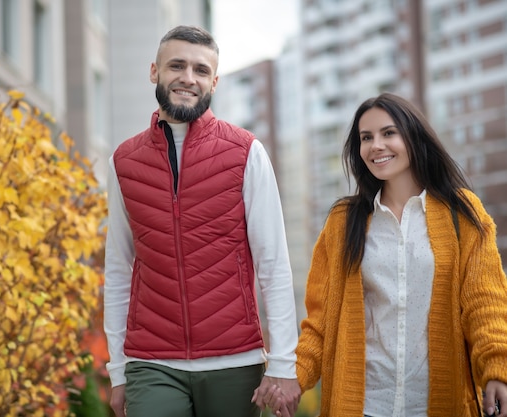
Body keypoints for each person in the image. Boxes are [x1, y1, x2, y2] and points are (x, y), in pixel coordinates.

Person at [258, 92, 507, 416]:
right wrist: (293, 378)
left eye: (388, 133)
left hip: (440, 405)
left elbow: (485, 303)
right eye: (366, 138)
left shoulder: (462, 214)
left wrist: (497, 368)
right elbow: (320, 322)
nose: (376, 145)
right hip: (363, 407)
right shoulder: (342, 222)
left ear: (413, 136)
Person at [103, 25, 301, 417]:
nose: (188, 78)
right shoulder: (123, 161)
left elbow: (273, 263)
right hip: (152, 361)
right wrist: (118, 370)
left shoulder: (246, 152)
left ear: (214, 81)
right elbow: (118, 269)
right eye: (177, 65)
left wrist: (282, 364)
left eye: (200, 69)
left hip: (234, 361)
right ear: (154, 71)